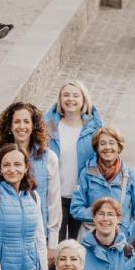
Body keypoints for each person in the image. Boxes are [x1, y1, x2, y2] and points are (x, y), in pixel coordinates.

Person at [0, 103, 61, 245]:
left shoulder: (49, 158)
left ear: (34, 126)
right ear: (9, 127)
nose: (22, 126)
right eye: (16, 122)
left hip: (38, 237)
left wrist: (52, 242)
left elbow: (53, 203)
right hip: (4, 238)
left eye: (26, 121)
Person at [44, 79, 102, 240]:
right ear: (60, 99)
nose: (71, 99)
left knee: (79, 248)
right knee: (56, 246)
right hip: (55, 196)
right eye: (66, 95)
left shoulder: (94, 129)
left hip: (82, 198)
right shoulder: (48, 127)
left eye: (76, 95)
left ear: (83, 99)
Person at [69, 126, 135, 241]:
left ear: (119, 146)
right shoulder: (86, 174)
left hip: (121, 239)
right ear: (97, 148)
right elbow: (76, 208)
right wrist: (101, 216)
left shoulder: (130, 175)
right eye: (102, 143)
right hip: (92, 238)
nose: (107, 147)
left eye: (111, 143)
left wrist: (130, 232)